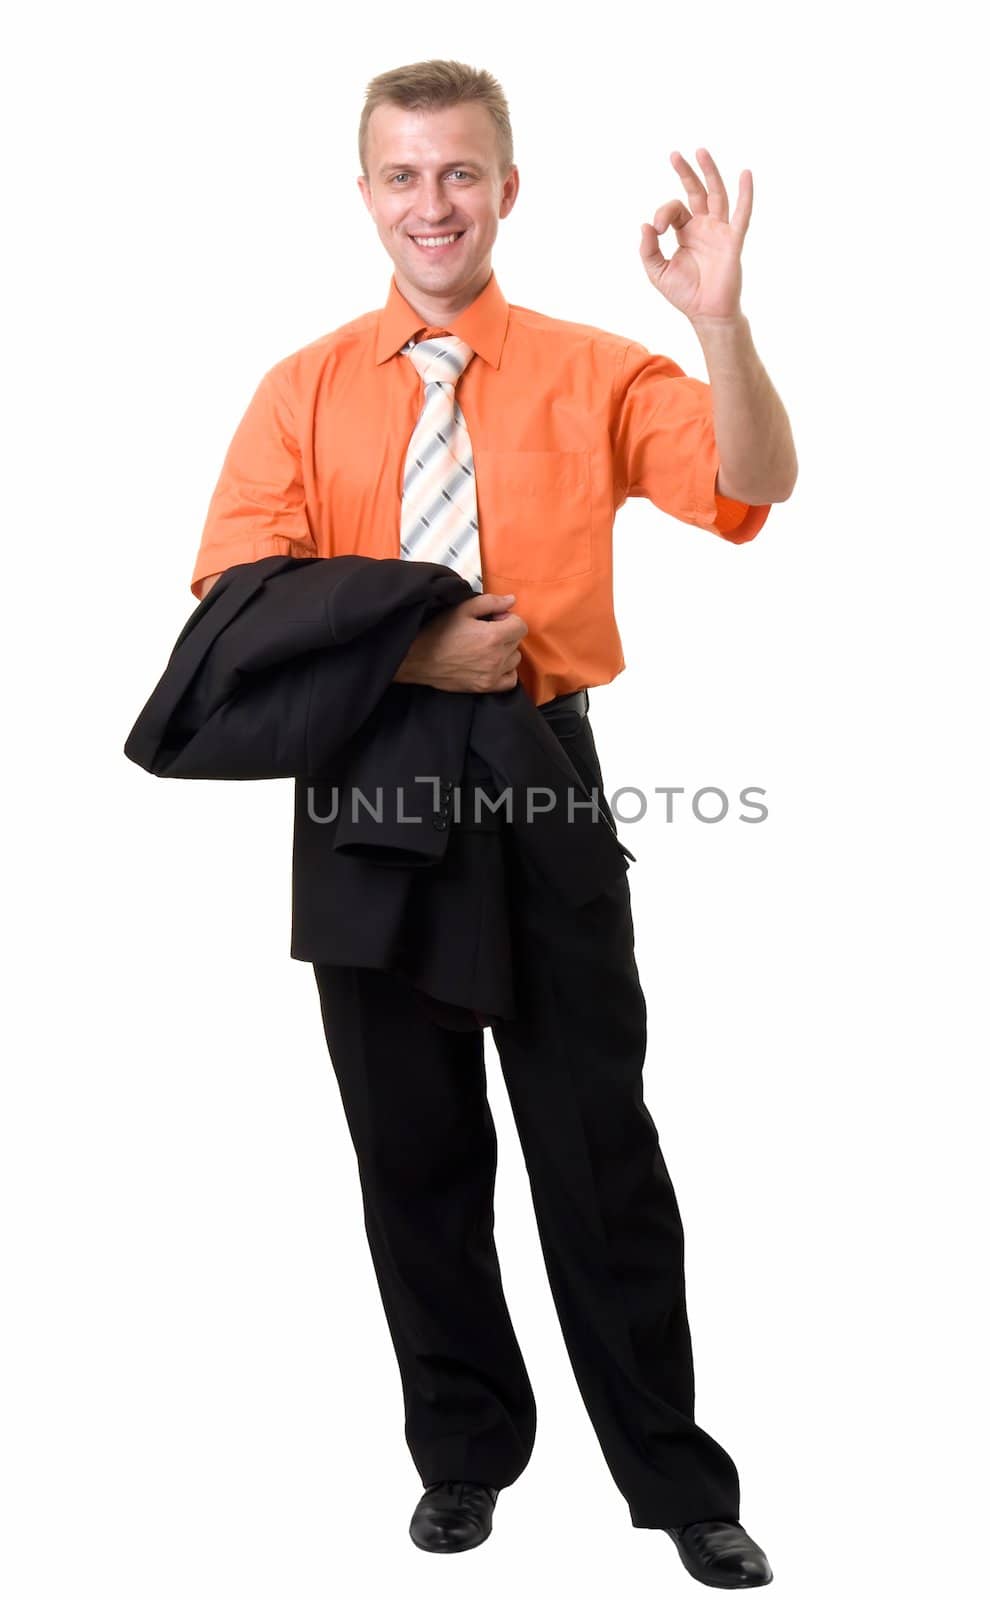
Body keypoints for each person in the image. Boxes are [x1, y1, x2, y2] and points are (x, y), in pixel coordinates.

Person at [189, 58, 796, 1589]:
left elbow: (754, 485)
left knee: (598, 1147)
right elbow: (234, 604)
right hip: (371, 789)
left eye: (461, 173)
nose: (433, 203)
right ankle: (463, 1458)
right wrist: (411, 650)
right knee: (414, 1154)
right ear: (367, 194)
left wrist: (716, 323)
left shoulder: (599, 370)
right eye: (404, 175)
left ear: (507, 190)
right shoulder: (302, 388)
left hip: (538, 779)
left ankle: (676, 1482)